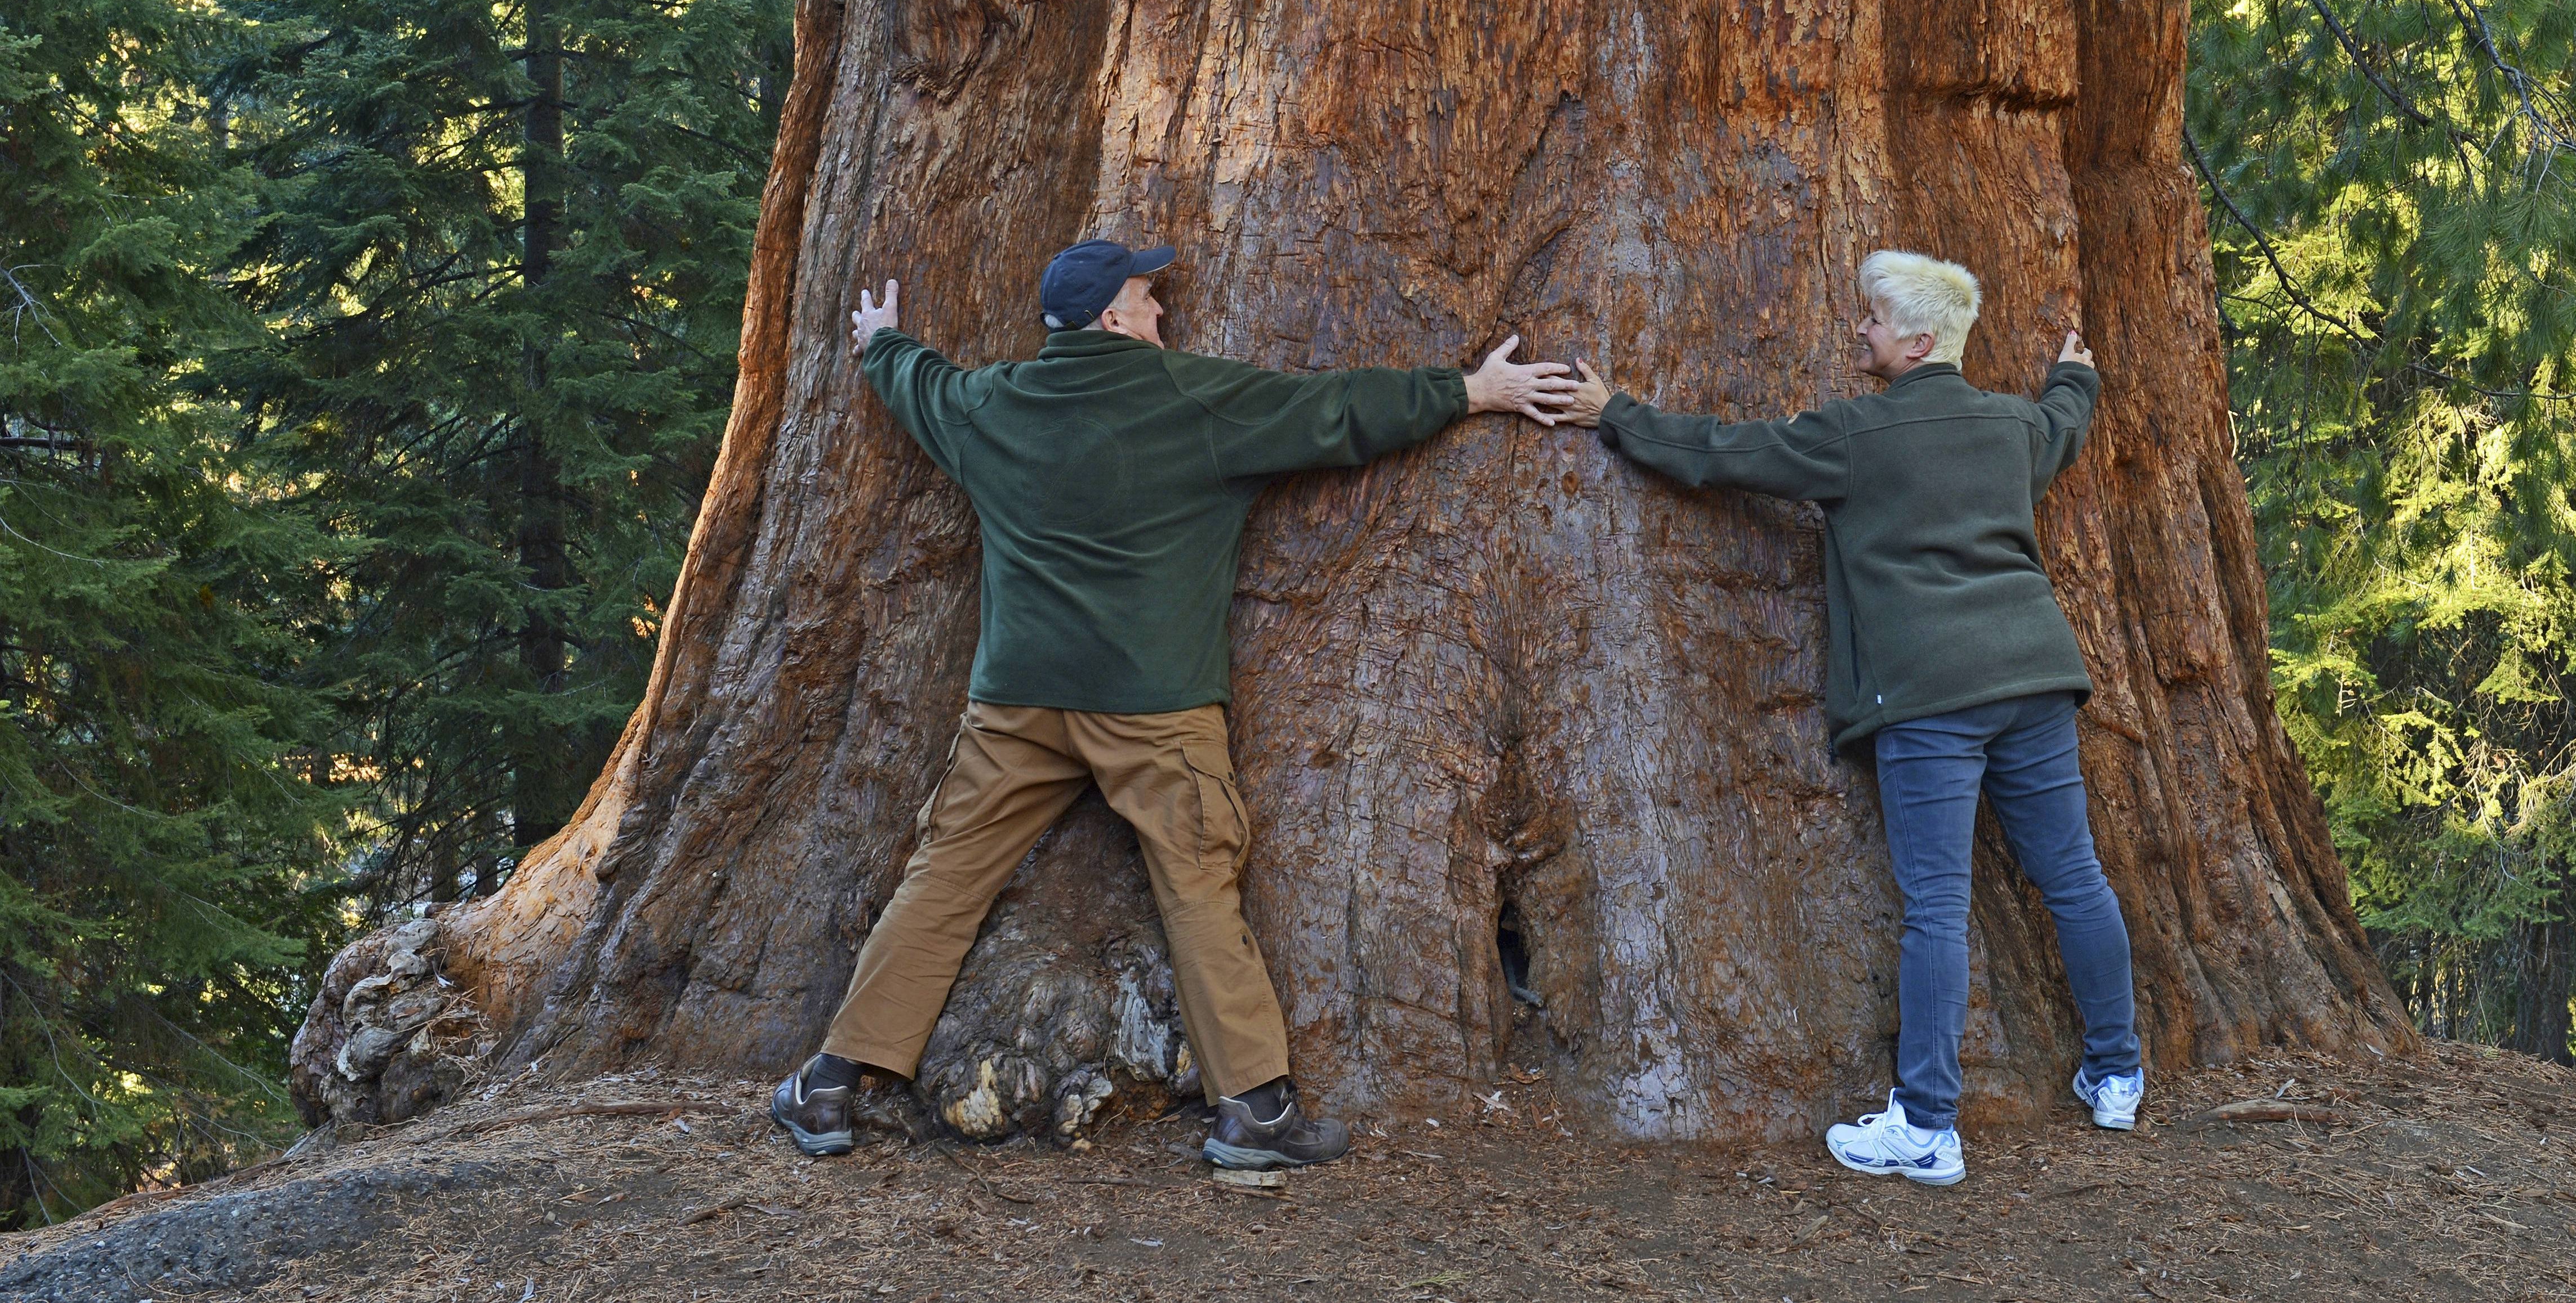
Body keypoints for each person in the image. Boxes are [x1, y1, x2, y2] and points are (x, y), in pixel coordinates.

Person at [772, 239, 1578, 1170]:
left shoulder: (993, 406)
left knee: (944, 877)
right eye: (1148, 297)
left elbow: (923, 387)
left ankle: (830, 1084)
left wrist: (882, 343)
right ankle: (1257, 1112)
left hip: (1017, 704)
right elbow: (1335, 411)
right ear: (1112, 317)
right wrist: (1471, 392)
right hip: (1154, 708)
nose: (1162, 312)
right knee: (1198, 886)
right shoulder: (1194, 399)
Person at [1558, 250, 2140, 1186]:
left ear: (1920, 342)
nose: (1859, 329)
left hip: (1930, 696)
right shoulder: (2011, 424)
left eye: (1873, 318)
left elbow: (1725, 455)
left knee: (1938, 906)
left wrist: (1615, 414)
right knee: (2074, 876)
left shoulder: (1856, 435)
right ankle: (2118, 1075)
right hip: (2035, 677)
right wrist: (2075, 378)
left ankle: (1928, 1127)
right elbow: (2063, 425)